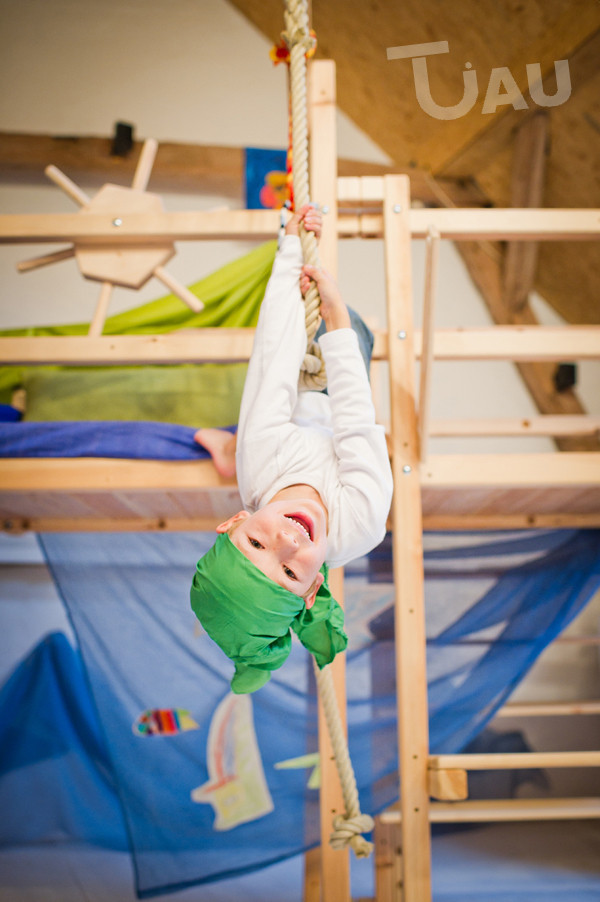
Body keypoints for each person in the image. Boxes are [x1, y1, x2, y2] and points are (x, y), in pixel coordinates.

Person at [190, 205, 393, 693]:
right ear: (313, 589)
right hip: (337, 422)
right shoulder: (362, 523)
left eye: (256, 544)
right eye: (287, 571)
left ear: (235, 520)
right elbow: (356, 420)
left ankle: (230, 445)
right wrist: (337, 318)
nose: (286, 542)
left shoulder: (259, 470)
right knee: (352, 333)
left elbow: (273, 358)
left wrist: (291, 245)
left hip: (284, 430)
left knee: (282, 366)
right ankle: (226, 442)